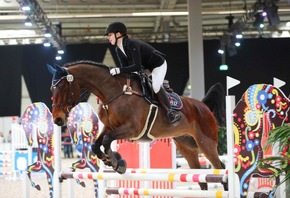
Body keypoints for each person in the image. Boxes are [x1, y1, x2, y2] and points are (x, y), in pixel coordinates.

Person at [104, 22, 181, 125]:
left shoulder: (132, 44)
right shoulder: (118, 50)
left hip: (158, 65)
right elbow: (126, 69)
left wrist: (118, 70)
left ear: (118, 34)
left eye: (110, 35)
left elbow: (135, 66)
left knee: (155, 86)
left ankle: (170, 112)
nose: (108, 38)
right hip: (145, 68)